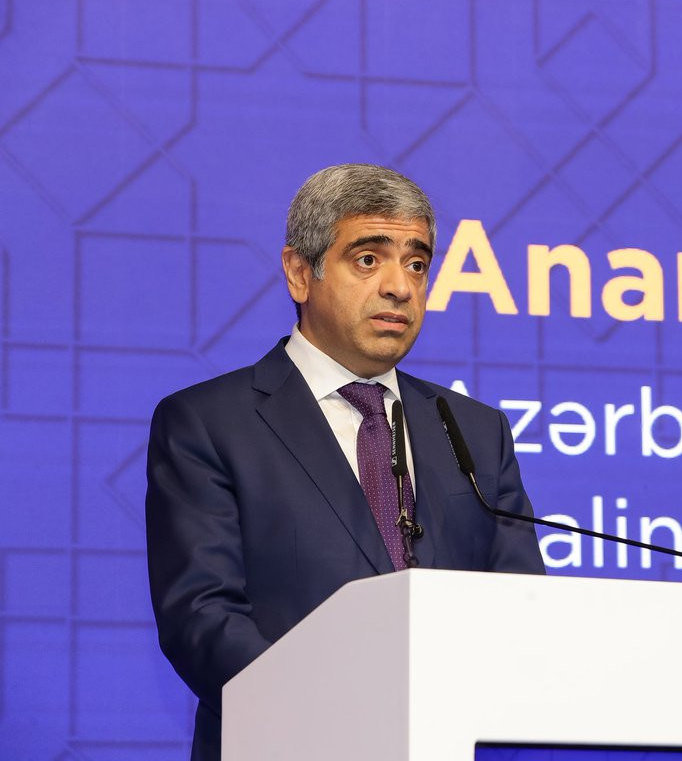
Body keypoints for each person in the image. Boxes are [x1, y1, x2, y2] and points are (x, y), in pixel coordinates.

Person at [145, 164, 544, 761]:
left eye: (417, 264)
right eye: (368, 259)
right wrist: (346, 723)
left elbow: (521, 611)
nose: (400, 287)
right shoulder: (208, 422)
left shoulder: (475, 431)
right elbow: (202, 618)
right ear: (299, 273)